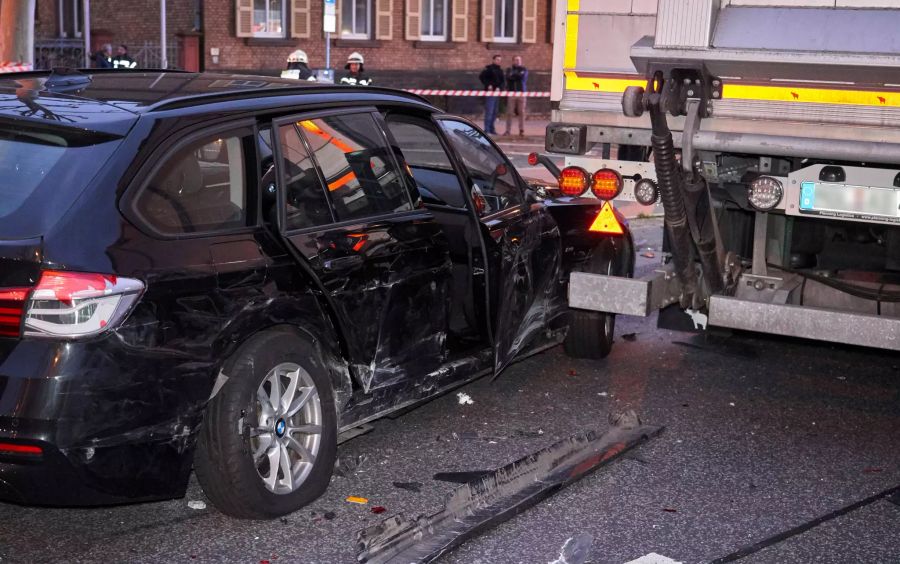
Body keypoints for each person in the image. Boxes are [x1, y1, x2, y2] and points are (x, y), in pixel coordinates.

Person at [478, 54, 504, 135]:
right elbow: (482, 77)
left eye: (500, 60)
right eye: (497, 59)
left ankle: (492, 129)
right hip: (490, 93)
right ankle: (487, 129)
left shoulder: (500, 70)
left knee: (495, 112)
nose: (499, 61)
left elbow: (502, 81)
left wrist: (499, 87)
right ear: (493, 60)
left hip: (497, 93)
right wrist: (488, 85)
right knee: (489, 111)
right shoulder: (488, 69)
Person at [503, 55, 529, 137]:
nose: (517, 62)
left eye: (519, 60)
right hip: (511, 93)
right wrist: (514, 75)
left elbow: (522, 77)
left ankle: (522, 130)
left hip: (521, 93)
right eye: (516, 60)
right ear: (513, 61)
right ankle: (508, 130)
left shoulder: (524, 69)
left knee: (521, 112)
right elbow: (508, 77)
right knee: (509, 112)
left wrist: (513, 75)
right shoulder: (509, 70)